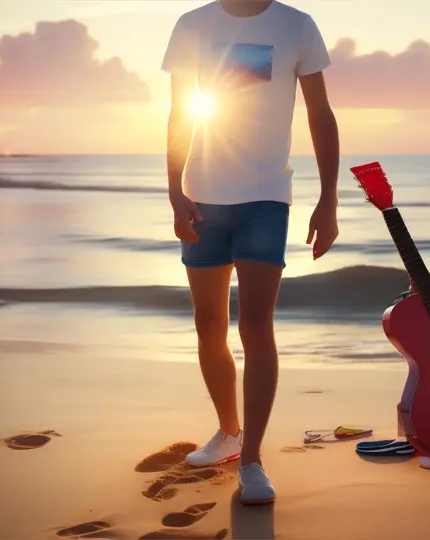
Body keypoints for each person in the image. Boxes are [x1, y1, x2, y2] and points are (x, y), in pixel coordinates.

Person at [161, 0, 340, 504]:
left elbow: (320, 116)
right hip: (203, 195)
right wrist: (174, 190)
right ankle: (228, 433)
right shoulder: (192, 25)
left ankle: (254, 459)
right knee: (208, 324)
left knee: (256, 325)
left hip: (266, 197)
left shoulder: (296, 26)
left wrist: (328, 201)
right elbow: (179, 113)